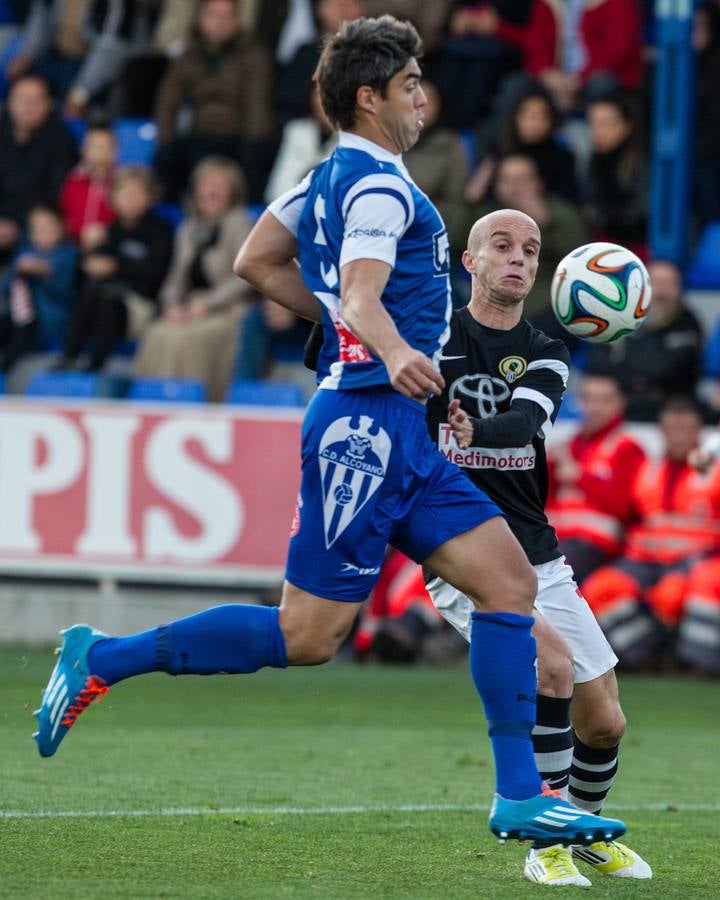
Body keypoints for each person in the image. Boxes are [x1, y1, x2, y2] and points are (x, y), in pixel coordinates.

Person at [34, 15, 625, 854]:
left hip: (402, 430)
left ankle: (521, 799)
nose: (423, 96)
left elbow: (257, 261)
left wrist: (373, 342)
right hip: (365, 431)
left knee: (508, 587)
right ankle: (105, 656)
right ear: (369, 96)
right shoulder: (382, 188)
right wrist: (385, 347)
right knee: (306, 637)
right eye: (410, 84)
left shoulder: (322, 179)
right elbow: (357, 293)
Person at [423, 211, 650, 885]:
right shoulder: (433, 338)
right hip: (459, 545)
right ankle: (542, 841)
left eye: (531, 249)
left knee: (605, 719)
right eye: (502, 246)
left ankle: (582, 830)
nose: (518, 258)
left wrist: (473, 427)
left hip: (534, 548)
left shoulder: (548, 346)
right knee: (549, 663)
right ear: (470, 260)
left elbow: (528, 420)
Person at [581, 397, 720, 670]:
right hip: (643, 559)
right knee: (599, 589)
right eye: (671, 429)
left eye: (685, 430)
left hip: (695, 558)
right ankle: (643, 655)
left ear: (698, 433)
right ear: (662, 431)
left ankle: (695, 663)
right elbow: (628, 513)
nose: (678, 437)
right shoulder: (647, 467)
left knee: (672, 595)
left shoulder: (713, 469)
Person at [132, 155, 256, 402]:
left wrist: (207, 303)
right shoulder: (188, 229)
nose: (212, 191)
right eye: (207, 184)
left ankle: (191, 402)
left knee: (187, 338)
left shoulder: (240, 223)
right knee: (158, 331)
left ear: (232, 192)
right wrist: (172, 306)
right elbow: (175, 277)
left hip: (229, 310)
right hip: (190, 308)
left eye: (220, 185)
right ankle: (151, 403)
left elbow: (246, 276)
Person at [52, 165, 173, 372]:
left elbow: (156, 273)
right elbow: (81, 274)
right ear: (113, 198)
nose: (130, 199)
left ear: (150, 197)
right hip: (99, 299)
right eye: (124, 192)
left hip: (139, 304)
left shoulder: (161, 230)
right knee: (90, 294)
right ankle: (69, 357)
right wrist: (86, 254)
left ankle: (96, 366)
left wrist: (116, 267)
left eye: (137, 193)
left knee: (107, 301)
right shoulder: (108, 231)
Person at [152, 0, 273, 202]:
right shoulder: (187, 55)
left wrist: (254, 144)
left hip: (238, 136)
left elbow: (257, 106)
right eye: (213, 16)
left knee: (255, 157)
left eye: (226, 16)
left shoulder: (254, 54)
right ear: (200, 19)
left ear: (237, 21)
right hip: (198, 135)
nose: (219, 23)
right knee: (166, 158)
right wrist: (167, 140)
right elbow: (167, 103)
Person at [456, 153, 589, 318]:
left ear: (539, 183)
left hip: (545, 299)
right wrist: (469, 201)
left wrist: (547, 225)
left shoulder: (559, 212)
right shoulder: (485, 214)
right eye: (507, 180)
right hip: (491, 297)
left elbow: (579, 262)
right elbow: (454, 243)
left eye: (522, 180)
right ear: (496, 186)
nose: (514, 187)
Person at [546, 374, 646, 585]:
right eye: (588, 399)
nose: (594, 407)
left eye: (604, 400)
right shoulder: (567, 445)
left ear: (620, 404)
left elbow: (627, 506)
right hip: (556, 538)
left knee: (547, 571)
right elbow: (544, 501)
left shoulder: (627, 448)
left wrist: (581, 477)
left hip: (596, 545)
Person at [585, 260, 703, 422]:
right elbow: (596, 363)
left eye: (669, 284)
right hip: (623, 406)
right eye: (656, 283)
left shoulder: (688, 323)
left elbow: (663, 369)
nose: (661, 292)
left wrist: (624, 359)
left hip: (669, 410)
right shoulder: (620, 318)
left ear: (679, 289)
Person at [0, 73, 78, 263]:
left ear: (49, 104)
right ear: (9, 101)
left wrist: (16, 224)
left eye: (35, 100)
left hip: (33, 223)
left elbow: (55, 194)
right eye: (21, 98)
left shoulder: (62, 141)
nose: (27, 106)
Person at [0, 203, 77, 370]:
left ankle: (6, 366)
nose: (42, 234)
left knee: (23, 327)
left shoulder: (68, 254)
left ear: (62, 227)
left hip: (47, 320)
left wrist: (46, 273)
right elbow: (5, 289)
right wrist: (17, 272)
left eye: (48, 228)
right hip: (15, 317)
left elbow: (65, 292)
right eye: (37, 229)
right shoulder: (24, 252)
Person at [58, 121, 117, 250]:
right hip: (70, 244)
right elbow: (63, 211)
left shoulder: (119, 182)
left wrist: (106, 233)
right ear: (83, 149)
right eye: (93, 146)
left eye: (104, 146)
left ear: (115, 151)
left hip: (108, 245)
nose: (98, 151)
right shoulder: (72, 179)